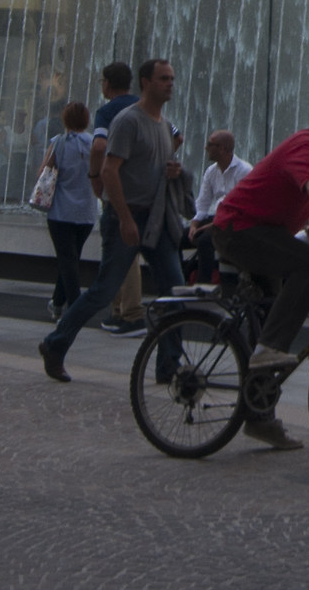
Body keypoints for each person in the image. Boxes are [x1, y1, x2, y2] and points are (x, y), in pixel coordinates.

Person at [201, 92, 309, 443]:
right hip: (238, 230)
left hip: (261, 233)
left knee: (269, 321)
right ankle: (268, 349)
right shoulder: (308, 145)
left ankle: (258, 414)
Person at [42, 59, 202, 377]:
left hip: (155, 220)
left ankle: (168, 365)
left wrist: (173, 170)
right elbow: (110, 169)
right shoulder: (128, 120)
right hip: (127, 217)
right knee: (103, 290)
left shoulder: (162, 123)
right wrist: (124, 218)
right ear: (145, 82)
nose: (170, 83)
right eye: (163, 79)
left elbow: (151, 163)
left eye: (172, 78)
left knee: (176, 291)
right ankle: (55, 344)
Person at [88, 62, 148, 338]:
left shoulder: (108, 111)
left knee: (125, 251)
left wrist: (95, 175)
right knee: (116, 249)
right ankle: (116, 311)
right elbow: (177, 137)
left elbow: (99, 145)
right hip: (142, 188)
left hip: (120, 190)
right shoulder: (143, 105)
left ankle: (133, 313)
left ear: (108, 84)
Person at [39, 100, 98, 316]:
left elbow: (43, 174)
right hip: (87, 212)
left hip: (61, 212)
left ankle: (75, 307)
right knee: (71, 259)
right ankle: (56, 303)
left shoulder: (59, 142)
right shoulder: (95, 143)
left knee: (67, 260)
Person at [188, 129, 252, 275]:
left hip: (234, 222)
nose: (206, 148)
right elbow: (202, 203)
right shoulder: (211, 171)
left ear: (222, 148)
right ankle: (180, 280)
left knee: (205, 241)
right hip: (216, 220)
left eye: (210, 144)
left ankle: (204, 286)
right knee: (178, 237)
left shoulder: (244, 171)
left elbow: (241, 209)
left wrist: (211, 226)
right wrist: (194, 225)